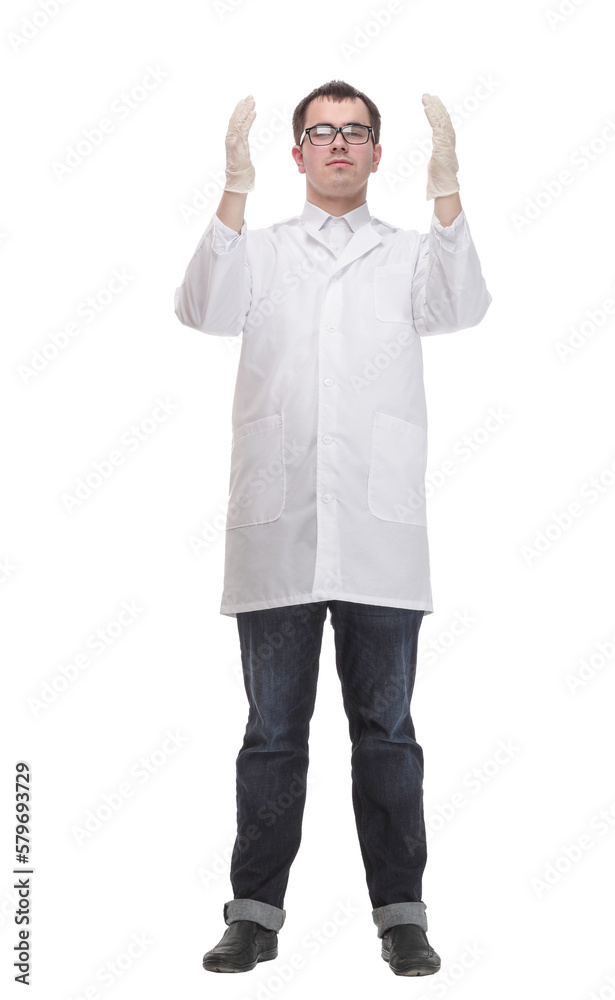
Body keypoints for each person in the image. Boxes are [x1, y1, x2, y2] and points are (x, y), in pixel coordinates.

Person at [174, 79, 491, 977]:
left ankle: (401, 915)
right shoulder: (261, 251)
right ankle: (254, 915)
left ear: (378, 154)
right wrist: (230, 191)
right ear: (297, 153)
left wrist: (448, 194)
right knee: (272, 732)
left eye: (356, 133)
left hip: (377, 532)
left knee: (384, 730)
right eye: (322, 132)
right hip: (277, 531)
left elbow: (462, 305)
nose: (339, 145)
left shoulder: (407, 255)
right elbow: (200, 308)